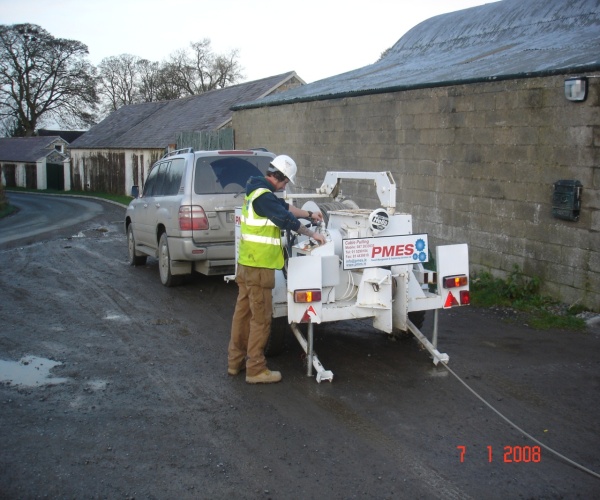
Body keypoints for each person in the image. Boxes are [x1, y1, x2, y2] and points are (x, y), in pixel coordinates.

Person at [228, 154, 327, 384]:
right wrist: (313, 234)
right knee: (261, 320)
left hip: (246, 264)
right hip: (259, 267)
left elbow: (284, 207)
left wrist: (310, 214)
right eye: (286, 182)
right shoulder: (264, 197)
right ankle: (255, 369)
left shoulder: (257, 191)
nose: (285, 186)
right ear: (279, 177)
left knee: (243, 315)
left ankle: (235, 362)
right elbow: (285, 219)